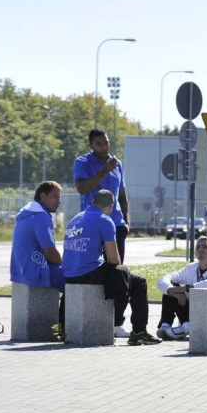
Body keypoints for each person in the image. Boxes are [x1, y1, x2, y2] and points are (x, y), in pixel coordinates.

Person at [62, 190, 160, 346]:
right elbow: (114, 259)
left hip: (68, 274)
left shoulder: (75, 218)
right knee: (137, 282)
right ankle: (139, 332)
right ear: (110, 206)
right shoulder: (105, 220)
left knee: (121, 275)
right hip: (88, 272)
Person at [74, 128, 132, 335]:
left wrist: (126, 220)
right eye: (98, 144)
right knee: (92, 270)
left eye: (106, 143)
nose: (104, 147)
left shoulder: (118, 165)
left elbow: (123, 194)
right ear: (91, 145)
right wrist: (103, 170)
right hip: (91, 224)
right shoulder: (83, 162)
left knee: (117, 271)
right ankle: (93, 316)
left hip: (115, 224)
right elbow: (83, 188)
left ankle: (117, 322)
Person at [155, 236, 207, 340]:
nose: (200, 249)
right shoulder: (190, 268)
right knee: (172, 285)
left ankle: (186, 328)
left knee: (179, 289)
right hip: (191, 312)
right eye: (198, 247)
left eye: (205, 247)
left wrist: (186, 288)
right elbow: (162, 279)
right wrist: (173, 291)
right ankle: (166, 325)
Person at [10, 181, 65, 294]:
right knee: (75, 280)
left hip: (19, 270)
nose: (59, 201)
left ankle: (66, 311)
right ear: (43, 196)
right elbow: (50, 253)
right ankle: (71, 312)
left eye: (60, 197)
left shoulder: (28, 213)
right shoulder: (41, 217)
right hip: (35, 271)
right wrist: (63, 264)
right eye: (55, 196)